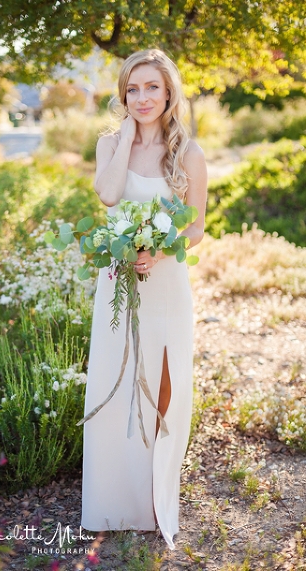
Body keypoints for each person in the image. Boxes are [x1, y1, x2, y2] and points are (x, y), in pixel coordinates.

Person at [80, 48, 207, 550]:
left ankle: (155, 502)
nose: (142, 97)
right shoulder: (109, 144)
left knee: (164, 387)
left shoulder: (188, 153)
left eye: (152, 87)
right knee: (114, 381)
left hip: (168, 284)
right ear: (122, 96)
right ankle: (112, 504)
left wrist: (160, 250)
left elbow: (195, 228)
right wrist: (129, 137)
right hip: (118, 282)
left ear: (169, 91)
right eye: (132, 89)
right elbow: (109, 197)